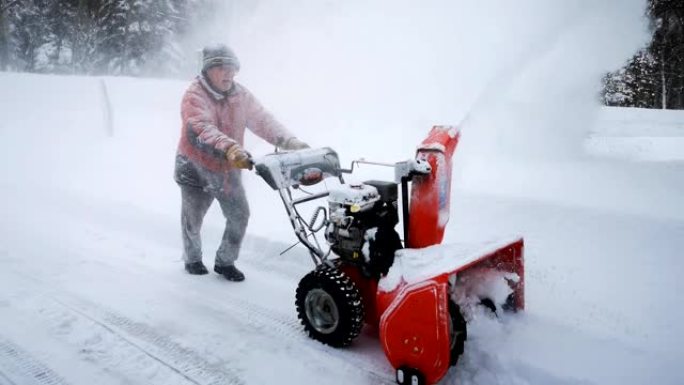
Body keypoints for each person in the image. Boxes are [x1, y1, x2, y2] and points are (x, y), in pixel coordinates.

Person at [175, 44, 309, 281]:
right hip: (195, 167)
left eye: (232, 68)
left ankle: (225, 262)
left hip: (228, 167)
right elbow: (201, 129)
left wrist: (289, 141)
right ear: (207, 70)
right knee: (193, 219)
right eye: (221, 68)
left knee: (239, 215)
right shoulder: (194, 96)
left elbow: (263, 120)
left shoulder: (240, 95)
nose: (228, 74)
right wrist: (231, 148)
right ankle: (193, 259)